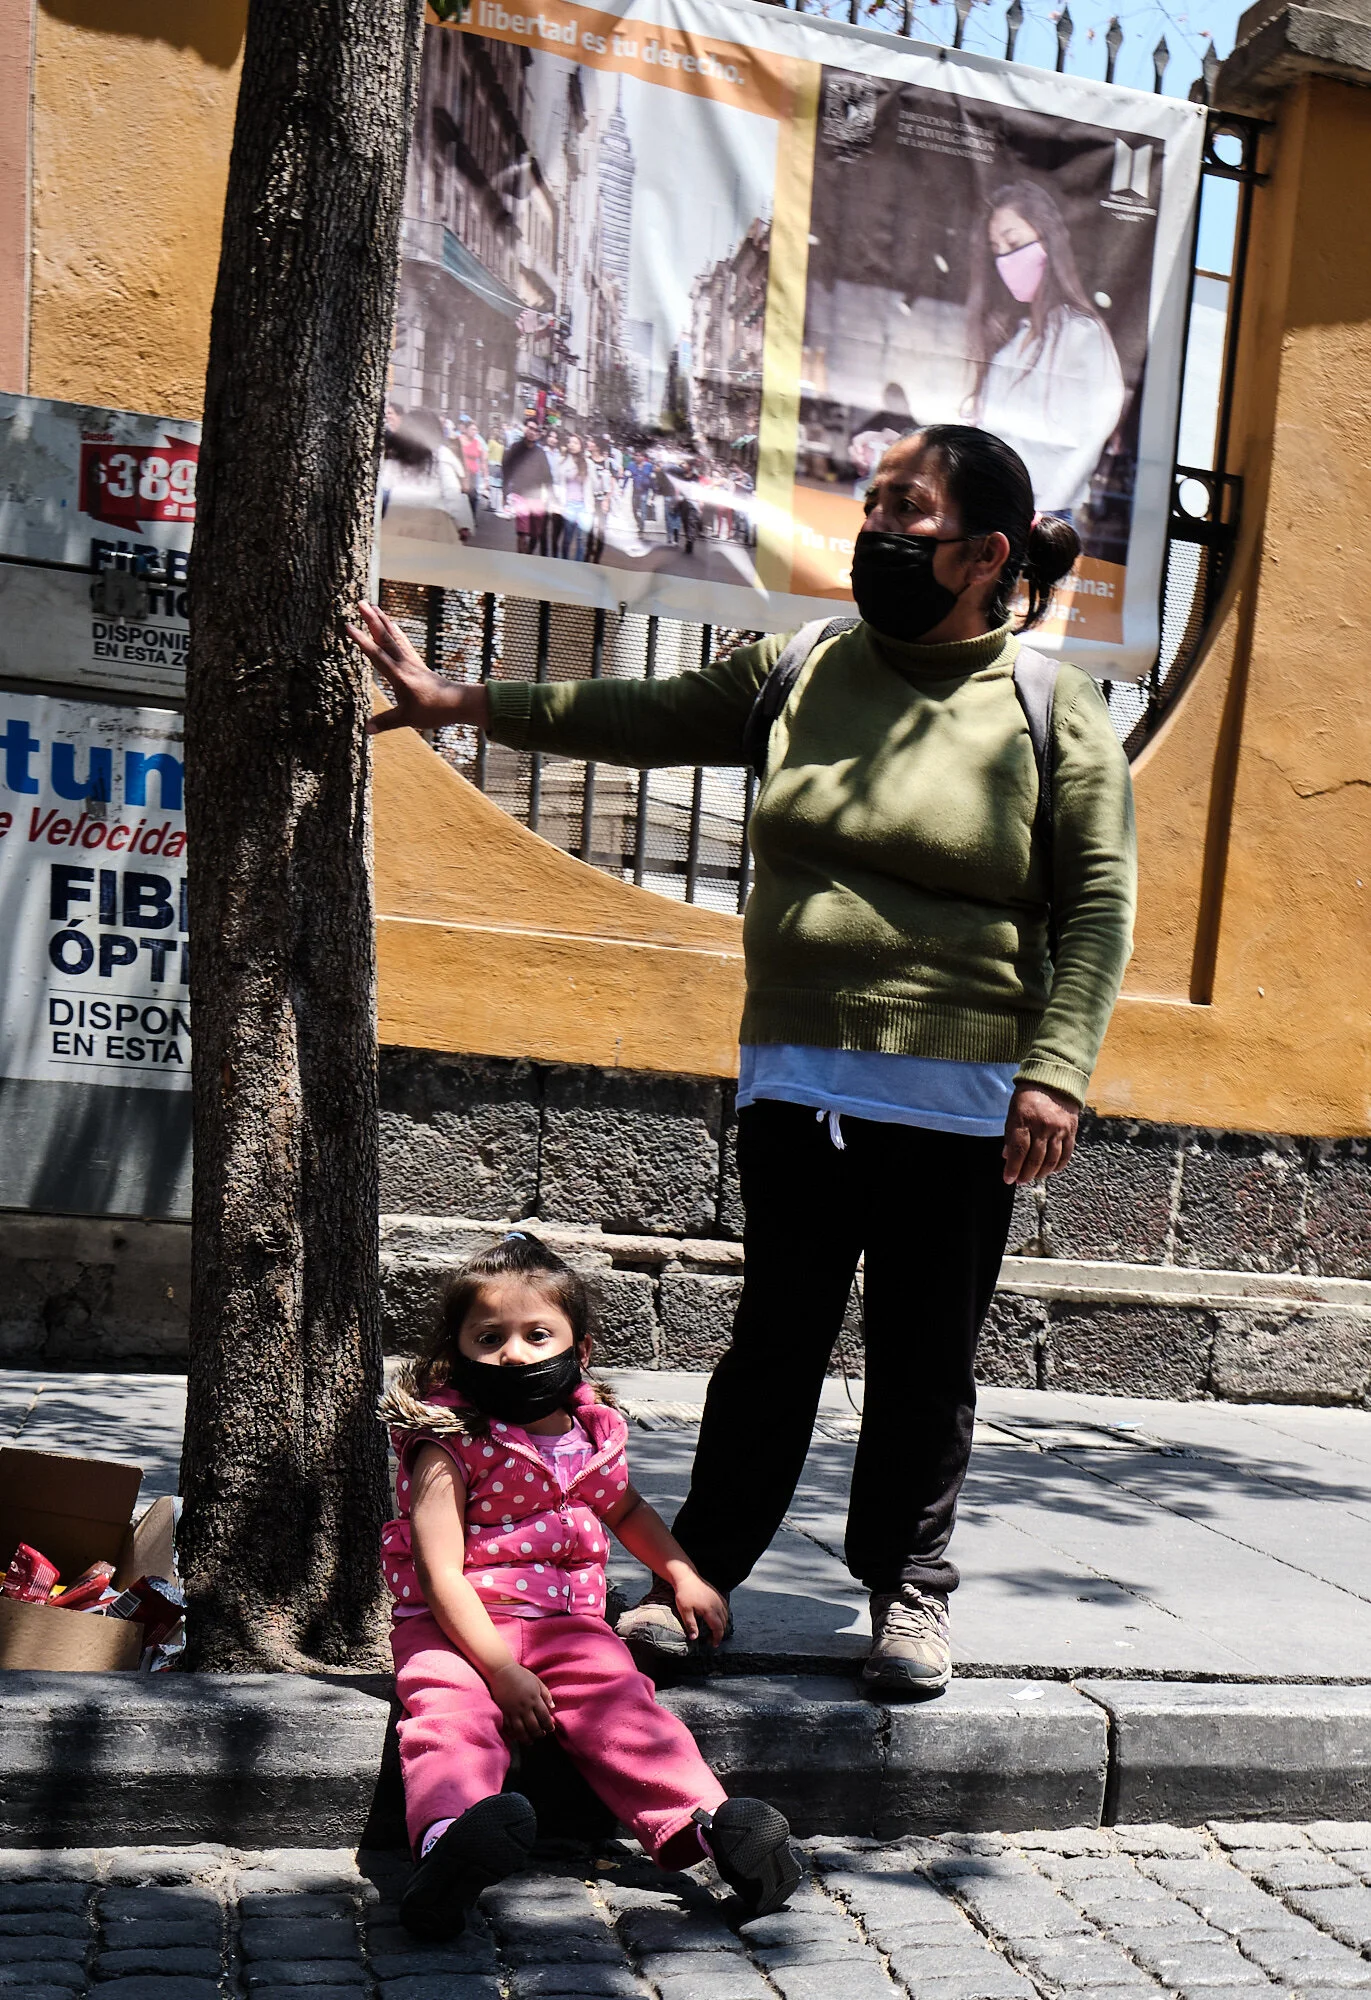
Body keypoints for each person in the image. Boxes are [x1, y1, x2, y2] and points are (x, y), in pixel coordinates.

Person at [350, 421, 1137, 1702]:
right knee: (773, 1346)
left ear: (986, 554)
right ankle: (701, 1573)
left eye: (910, 510)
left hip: (959, 1101)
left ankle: (909, 1588)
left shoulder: (1052, 706)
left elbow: (1097, 904)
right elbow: (641, 711)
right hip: (796, 1086)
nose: (878, 530)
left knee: (924, 1360)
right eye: (874, 503)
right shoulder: (805, 664)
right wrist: (464, 701)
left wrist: (1057, 1069)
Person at [378, 1232, 803, 1940]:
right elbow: (439, 1571)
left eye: (537, 1335)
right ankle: (449, 1845)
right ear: (457, 1352)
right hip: (453, 1628)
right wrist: (501, 1671)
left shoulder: (586, 1436)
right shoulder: (446, 1444)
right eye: (489, 1338)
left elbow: (626, 1509)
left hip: (568, 1627)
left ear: (580, 1349)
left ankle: (708, 1829)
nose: (515, 1354)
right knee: (448, 1718)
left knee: (627, 1713)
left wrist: (680, 1573)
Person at [964, 180, 1125, 518]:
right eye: (996, 250)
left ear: (1047, 240)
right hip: (996, 506)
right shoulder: (1011, 344)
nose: (1005, 260)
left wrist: (1044, 507)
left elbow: (1093, 432)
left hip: (1043, 514)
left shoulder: (1080, 333)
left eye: (1013, 243)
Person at [380, 409, 474, 546]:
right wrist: (463, 524)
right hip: (433, 520)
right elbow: (452, 493)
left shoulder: (396, 454)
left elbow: (384, 485)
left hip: (397, 515)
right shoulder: (441, 454)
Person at [501, 417, 553, 557]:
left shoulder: (540, 453)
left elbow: (548, 477)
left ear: (538, 434)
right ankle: (521, 556)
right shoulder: (515, 448)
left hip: (536, 497)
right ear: (524, 428)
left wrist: (550, 496)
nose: (531, 432)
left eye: (535, 430)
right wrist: (504, 494)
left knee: (535, 533)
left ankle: (528, 553)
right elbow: (506, 470)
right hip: (519, 495)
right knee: (522, 532)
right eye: (529, 428)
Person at [555, 433, 593, 562]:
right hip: (568, 505)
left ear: (581, 446)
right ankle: (565, 562)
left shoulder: (588, 464)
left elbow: (593, 485)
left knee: (581, 540)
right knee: (567, 538)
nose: (572, 445)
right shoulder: (562, 461)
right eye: (570, 442)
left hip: (584, 506)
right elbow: (558, 482)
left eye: (575, 443)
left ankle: (578, 564)